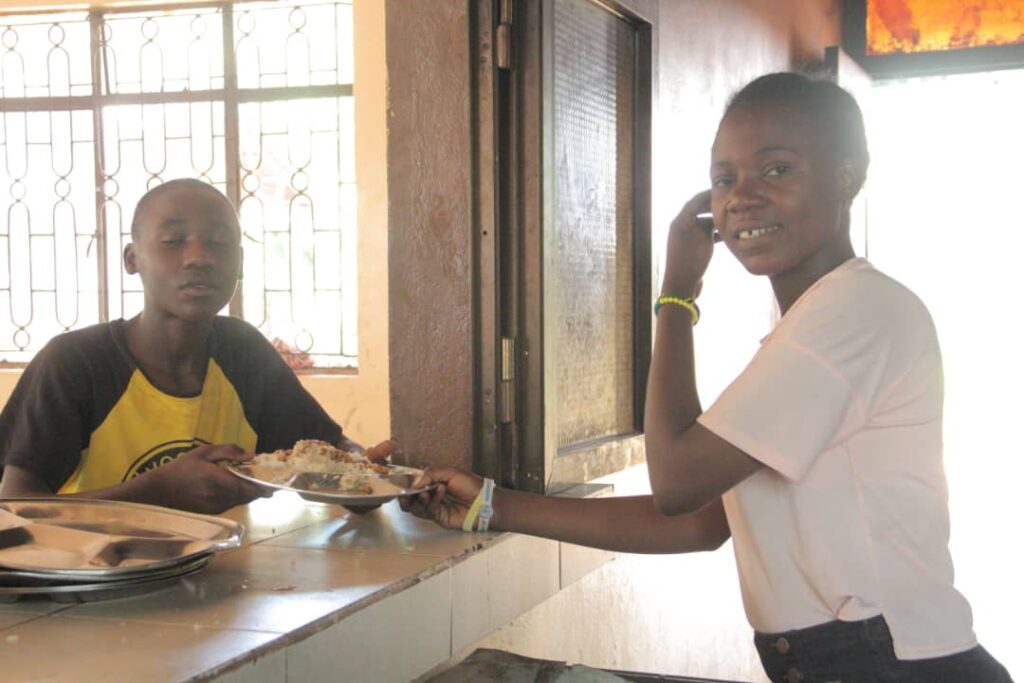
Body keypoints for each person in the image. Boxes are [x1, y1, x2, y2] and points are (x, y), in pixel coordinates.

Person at [403, 73, 1012, 682]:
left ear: (847, 177)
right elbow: (699, 522)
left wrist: (675, 297)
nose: (741, 196)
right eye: (724, 179)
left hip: (895, 666)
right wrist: (489, 506)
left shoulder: (852, 315)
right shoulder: (808, 329)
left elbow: (677, 483)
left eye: (776, 170)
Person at [0, 178, 362, 514]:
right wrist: (156, 491)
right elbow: (13, 508)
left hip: (228, 577)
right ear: (132, 259)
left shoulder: (245, 354)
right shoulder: (77, 364)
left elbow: (333, 462)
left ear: (240, 263)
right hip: (94, 579)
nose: (199, 258)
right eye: (174, 241)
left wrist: (392, 482)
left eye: (219, 243)